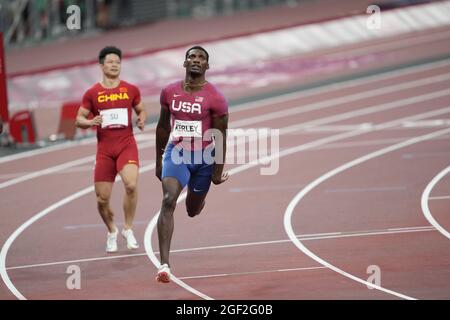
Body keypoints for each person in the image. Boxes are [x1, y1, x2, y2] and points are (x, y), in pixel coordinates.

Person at [155, 45, 229, 283]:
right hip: (177, 154)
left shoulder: (216, 97)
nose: (196, 60)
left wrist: (217, 173)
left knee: (192, 210)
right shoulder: (169, 92)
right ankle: (164, 264)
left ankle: (198, 200)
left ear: (207, 66)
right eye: (192, 57)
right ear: (185, 63)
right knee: (168, 201)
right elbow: (163, 127)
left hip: (204, 160)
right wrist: (158, 160)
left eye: (201, 58)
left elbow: (221, 136)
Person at [76, 46, 147, 253]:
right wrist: (90, 122)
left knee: (131, 185)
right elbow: (79, 119)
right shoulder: (92, 93)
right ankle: (112, 230)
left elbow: (141, 109)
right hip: (105, 150)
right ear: (101, 65)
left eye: (118, 62)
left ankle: (128, 228)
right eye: (110, 62)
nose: (115, 65)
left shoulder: (131, 89)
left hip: (126, 144)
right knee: (101, 199)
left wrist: (141, 119)